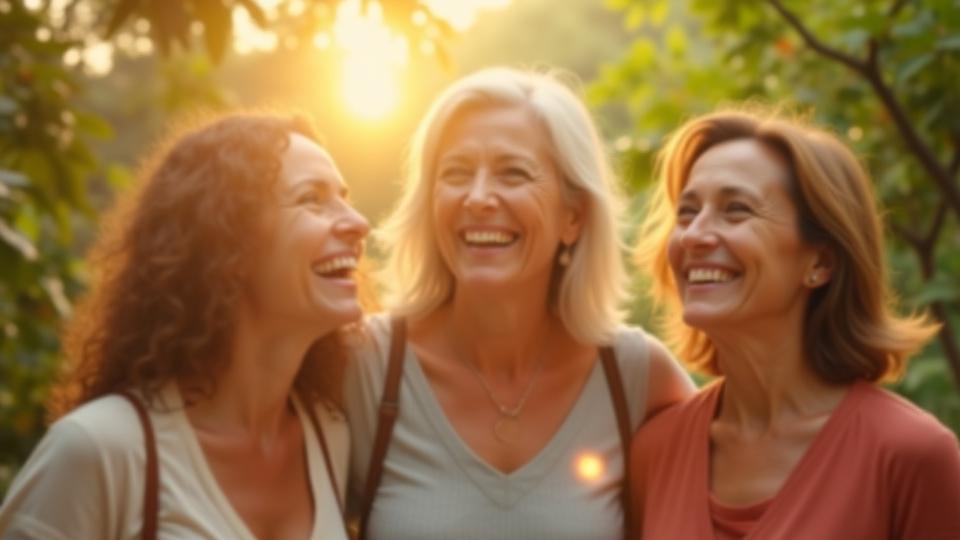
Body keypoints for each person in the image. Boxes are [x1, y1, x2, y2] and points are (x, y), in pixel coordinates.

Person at [343, 67, 694, 540]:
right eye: (456, 173)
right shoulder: (366, 365)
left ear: (573, 216)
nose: (478, 198)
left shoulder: (636, 376)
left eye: (513, 173)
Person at [0, 113, 370, 539]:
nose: (358, 223)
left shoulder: (330, 436)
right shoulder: (97, 448)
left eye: (344, 198)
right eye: (311, 199)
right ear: (228, 240)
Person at [630, 109, 960, 539]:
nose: (693, 235)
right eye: (687, 212)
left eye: (736, 210)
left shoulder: (912, 454)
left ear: (820, 262)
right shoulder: (654, 451)